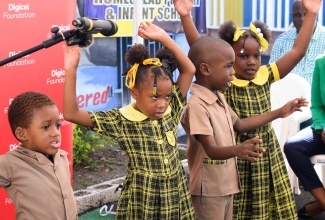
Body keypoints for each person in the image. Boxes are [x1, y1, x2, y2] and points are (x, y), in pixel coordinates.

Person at [174, 0, 321, 219]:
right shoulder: (226, 80)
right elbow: (202, 49)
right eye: (242, 56)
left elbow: (298, 51)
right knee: (238, 206)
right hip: (234, 151)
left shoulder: (266, 74)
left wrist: (311, 14)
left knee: (269, 204)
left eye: (256, 55)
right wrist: (185, 15)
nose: (251, 62)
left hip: (265, 151)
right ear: (228, 59)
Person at [63, 20, 196, 219]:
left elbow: (189, 70)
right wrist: (71, 69)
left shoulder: (173, 107)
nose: (162, 103)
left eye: (167, 96)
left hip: (175, 194)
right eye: (154, 96)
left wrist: (163, 37)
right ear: (134, 93)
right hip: (143, 198)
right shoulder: (121, 120)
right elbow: (71, 114)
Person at [0, 91, 77, 220]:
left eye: (58, 125)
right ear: (22, 134)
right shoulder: (10, 163)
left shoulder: (61, 157)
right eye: (46, 127)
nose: (55, 133)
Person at [284, 54, 325, 219]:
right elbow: (317, 105)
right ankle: (323, 201)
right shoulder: (321, 63)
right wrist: (323, 127)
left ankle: (317, 206)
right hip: (322, 130)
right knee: (294, 146)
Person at [269, 0, 325, 85]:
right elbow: (272, 77)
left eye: (306, 14)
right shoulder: (281, 41)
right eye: (297, 15)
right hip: (287, 96)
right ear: (292, 17)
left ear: (315, 15)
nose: (302, 19)